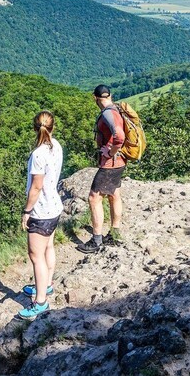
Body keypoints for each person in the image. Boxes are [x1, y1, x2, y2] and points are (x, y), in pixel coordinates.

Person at [18, 110, 64, 320]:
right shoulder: (57, 146)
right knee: (49, 248)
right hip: (54, 206)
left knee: (36, 257)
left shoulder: (38, 154)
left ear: (34, 128)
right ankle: (46, 286)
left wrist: (27, 212)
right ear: (52, 127)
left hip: (41, 211)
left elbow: (36, 188)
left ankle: (40, 303)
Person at [77, 84, 125, 253]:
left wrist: (110, 152)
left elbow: (119, 136)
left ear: (95, 98)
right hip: (120, 162)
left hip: (110, 164)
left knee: (94, 198)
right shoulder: (116, 109)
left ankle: (97, 240)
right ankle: (115, 233)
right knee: (114, 194)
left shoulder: (107, 114)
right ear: (109, 95)